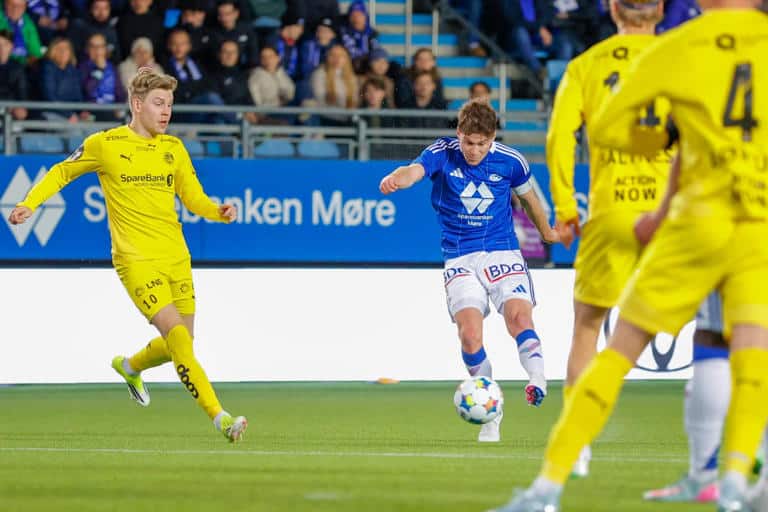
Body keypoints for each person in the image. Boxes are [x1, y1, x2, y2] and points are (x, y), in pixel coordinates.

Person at [489, 1, 768, 510]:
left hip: (679, 220)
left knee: (609, 343)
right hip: (755, 223)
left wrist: (655, 140)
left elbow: (609, 128)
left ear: (615, 7)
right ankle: (734, 484)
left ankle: (549, 484)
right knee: (749, 350)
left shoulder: (676, 48)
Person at [7, 68, 248, 443]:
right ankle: (221, 418)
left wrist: (218, 211)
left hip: (176, 257)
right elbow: (61, 173)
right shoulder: (106, 144)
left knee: (182, 343)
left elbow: (193, 197)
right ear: (137, 104)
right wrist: (30, 203)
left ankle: (130, 366)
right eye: (158, 103)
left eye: (169, 104)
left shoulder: (173, 149)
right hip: (135, 260)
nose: (166, 112)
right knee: (179, 338)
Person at [379, 99, 558, 443]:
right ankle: (492, 414)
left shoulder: (511, 161)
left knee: (519, 318)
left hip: (502, 250)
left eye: (482, 144)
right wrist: (395, 179)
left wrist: (547, 233)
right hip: (460, 256)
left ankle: (537, 378)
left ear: (492, 139)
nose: (475, 151)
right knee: (470, 335)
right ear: (459, 133)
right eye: (469, 142)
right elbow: (413, 171)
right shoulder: (441, 153)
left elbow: (530, 199)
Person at [545, 0, 670, 479]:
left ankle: (576, 446)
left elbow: (559, 137)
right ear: (660, 9)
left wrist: (565, 209)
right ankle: (739, 451)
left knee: (586, 327)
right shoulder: (684, 55)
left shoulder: (585, 65)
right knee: (732, 327)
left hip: (612, 208)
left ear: (614, 8)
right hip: (675, 212)